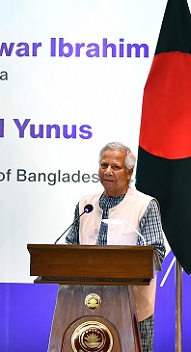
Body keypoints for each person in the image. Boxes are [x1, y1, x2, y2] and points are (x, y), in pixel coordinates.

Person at [64, 141, 165, 352]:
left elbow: (156, 252)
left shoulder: (145, 205)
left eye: (115, 167)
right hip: (87, 302)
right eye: (104, 165)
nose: (108, 171)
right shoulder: (85, 205)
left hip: (132, 307)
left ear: (129, 172)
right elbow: (70, 248)